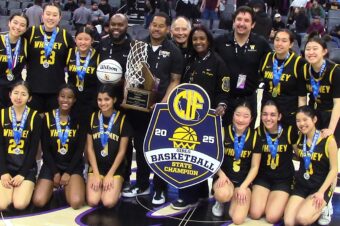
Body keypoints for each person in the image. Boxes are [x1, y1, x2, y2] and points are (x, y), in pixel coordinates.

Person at [122, 12, 184, 206]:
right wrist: (127, 95)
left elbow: (175, 80)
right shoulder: (138, 46)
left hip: (160, 109)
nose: (156, 29)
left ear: (167, 29)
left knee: (159, 149)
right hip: (138, 106)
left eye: (161, 26)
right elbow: (129, 75)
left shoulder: (174, 51)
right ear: (149, 26)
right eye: (154, 25)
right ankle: (142, 184)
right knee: (139, 146)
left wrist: (163, 103)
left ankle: (160, 188)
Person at [171, 25, 230, 210]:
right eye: (195, 39)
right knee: (185, 156)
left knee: (200, 156)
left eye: (202, 38)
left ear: (209, 40)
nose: (198, 42)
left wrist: (222, 105)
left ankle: (200, 192)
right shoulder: (187, 59)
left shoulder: (218, 62)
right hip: (184, 117)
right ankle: (188, 195)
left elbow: (224, 89)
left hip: (206, 118)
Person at [302, 34, 340, 225]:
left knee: (331, 162)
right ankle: (313, 192)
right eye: (308, 48)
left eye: (315, 48)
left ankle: (327, 202)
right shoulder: (305, 69)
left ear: (324, 51)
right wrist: (301, 118)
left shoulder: (335, 71)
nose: (311, 52)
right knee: (315, 157)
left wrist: (331, 129)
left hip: (333, 117)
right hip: (314, 116)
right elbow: (303, 98)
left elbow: (338, 103)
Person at [215, 6, 271, 126]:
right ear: (234, 22)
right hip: (223, 99)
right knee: (221, 137)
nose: (242, 23)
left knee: (245, 139)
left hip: (248, 98)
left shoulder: (261, 43)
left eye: (246, 20)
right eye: (239, 19)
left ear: (253, 24)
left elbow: (270, 64)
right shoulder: (220, 41)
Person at [32, 84, 86, 209]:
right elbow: (45, 149)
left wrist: (68, 172)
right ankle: (51, 185)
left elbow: (80, 150)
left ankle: (69, 185)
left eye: (70, 97)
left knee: (76, 203)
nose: (65, 100)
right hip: (52, 165)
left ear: (74, 100)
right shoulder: (47, 117)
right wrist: (55, 172)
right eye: (62, 96)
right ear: (57, 98)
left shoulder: (79, 119)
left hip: (72, 166)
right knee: (38, 201)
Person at [284, 106, 338, 226]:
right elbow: (300, 157)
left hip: (320, 187)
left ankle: (325, 206)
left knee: (302, 218)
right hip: (302, 184)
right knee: (288, 222)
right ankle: (309, 205)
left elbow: (334, 169)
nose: (301, 124)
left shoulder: (328, 140)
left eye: (305, 119)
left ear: (314, 119)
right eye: (298, 121)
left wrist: (321, 192)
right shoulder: (299, 138)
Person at [211, 101, 261, 224]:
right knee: (223, 194)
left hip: (243, 182)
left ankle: (235, 197)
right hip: (225, 179)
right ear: (232, 115)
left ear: (251, 119)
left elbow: (255, 167)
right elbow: (212, 158)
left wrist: (244, 187)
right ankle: (220, 202)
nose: (240, 119)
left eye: (245, 116)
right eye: (238, 114)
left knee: (237, 219)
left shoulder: (255, 137)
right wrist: (221, 175)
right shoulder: (222, 131)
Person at [249, 100, 298, 223]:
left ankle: (284, 200)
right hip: (263, 178)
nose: (268, 118)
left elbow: (300, 154)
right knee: (255, 213)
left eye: (272, 114)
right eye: (265, 114)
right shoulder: (257, 132)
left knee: (271, 217)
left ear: (279, 116)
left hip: (283, 180)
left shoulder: (289, 131)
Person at [99, 13, 132, 190]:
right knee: (99, 137)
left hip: (123, 102)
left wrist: (122, 81)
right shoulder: (102, 43)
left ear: (126, 26)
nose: (116, 28)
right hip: (103, 100)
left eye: (120, 25)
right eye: (113, 25)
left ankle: (125, 177)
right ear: (108, 25)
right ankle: (95, 171)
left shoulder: (134, 46)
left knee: (124, 141)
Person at [86, 84, 132, 208]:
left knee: (108, 202)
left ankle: (118, 185)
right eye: (99, 100)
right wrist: (95, 173)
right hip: (97, 167)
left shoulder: (123, 120)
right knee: (92, 201)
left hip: (114, 169)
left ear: (114, 100)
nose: (103, 103)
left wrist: (110, 174)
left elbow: (122, 152)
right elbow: (89, 148)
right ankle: (98, 180)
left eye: (107, 99)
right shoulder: (92, 118)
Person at [24, 3, 75, 113]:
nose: (51, 18)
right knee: (33, 126)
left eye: (54, 15)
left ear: (60, 18)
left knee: (51, 126)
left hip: (56, 91)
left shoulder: (66, 36)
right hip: (33, 89)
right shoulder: (31, 32)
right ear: (42, 16)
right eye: (48, 14)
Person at [0, 81, 41, 210]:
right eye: (16, 93)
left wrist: (22, 174)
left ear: (29, 98)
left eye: (23, 94)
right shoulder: (2, 114)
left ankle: (29, 186)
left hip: (26, 169)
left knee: (19, 204)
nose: (19, 97)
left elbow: (33, 149)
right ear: (10, 95)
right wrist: (4, 172)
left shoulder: (35, 117)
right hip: (6, 167)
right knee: (2, 205)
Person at [259, 29, 306, 126]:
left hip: (288, 112)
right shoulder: (266, 57)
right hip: (268, 112)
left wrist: (302, 118)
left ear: (291, 44)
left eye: (284, 41)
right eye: (277, 40)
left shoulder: (299, 63)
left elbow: (302, 96)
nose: (279, 43)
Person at [66, 26, 100, 128]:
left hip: (90, 101)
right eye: (80, 39)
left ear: (92, 40)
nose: (83, 42)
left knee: (86, 131)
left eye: (86, 39)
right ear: (75, 39)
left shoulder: (98, 55)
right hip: (72, 101)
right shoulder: (69, 53)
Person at [0, 13, 29, 109]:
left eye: (22, 25)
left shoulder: (26, 44)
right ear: (9, 23)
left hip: (15, 91)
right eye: (15, 23)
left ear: (25, 29)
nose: (18, 27)